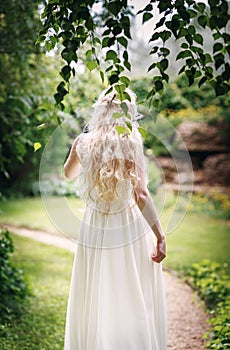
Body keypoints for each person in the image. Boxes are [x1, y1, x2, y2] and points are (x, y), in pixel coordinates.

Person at [63, 88, 167, 350]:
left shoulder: (83, 142)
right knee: (130, 290)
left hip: (94, 225)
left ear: (100, 109)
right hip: (127, 225)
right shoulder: (131, 143)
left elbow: (68, 174)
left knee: (95, 289)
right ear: (128, 113)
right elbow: (141, 194)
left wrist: (85, 156)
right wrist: (160, 235)